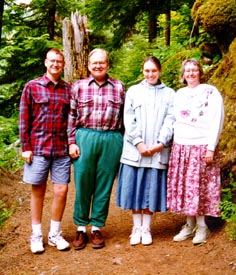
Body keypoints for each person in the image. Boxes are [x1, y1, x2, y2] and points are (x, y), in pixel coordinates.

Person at [68, 48, 125, 250]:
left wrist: (124, 143)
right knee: (83, 182)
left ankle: (97, 228)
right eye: (94, 63)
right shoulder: (79, 86)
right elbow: (71, 116)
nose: (98, 66)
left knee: (104, 184)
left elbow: (125, 118)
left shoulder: (119, 87)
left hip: (111, 138)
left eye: (102, 62)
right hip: (85, 136)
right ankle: (81, 228)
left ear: (108, 65)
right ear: (89, 66)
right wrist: (71, 142)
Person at [116, 56, 175, 246]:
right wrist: (139, 143)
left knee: (150, 188)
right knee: (134, 187)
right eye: (147, 70)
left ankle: (146, 228)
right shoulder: (133, 91)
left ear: (160, 71)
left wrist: (161, 142)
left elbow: (171, 120)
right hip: (136, 150)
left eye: (154, 71)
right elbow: (129, 119)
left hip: (157, 150)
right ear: (143, 71)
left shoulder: (169, 94)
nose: (150, 74)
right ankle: (136, 228)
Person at [19, 48, 71, 254]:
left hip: (61, 149)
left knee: (61, 190)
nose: (55, 64)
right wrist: (26, 147)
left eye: (59, 61)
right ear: (45, 62)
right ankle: (36, 235)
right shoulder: (32, 87)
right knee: (38, 191)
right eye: (52, 61)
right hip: (38, 149)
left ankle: (55, 234)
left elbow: (71, 119)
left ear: (63, 64)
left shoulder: (68, 89)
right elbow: (24, 118)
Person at [167, 58, 224, 245]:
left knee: (197, 187)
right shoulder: (179, 94)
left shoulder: (210, 91)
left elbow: (217, 120)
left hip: (201, 145)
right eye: (187, 70)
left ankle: (202, 227)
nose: (191, 73)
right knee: (185, 187)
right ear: (183, 75)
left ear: (200, 72)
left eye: (194, 70)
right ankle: (189, 224)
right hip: (181, 146)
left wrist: (211, 147)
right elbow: (173, 120)